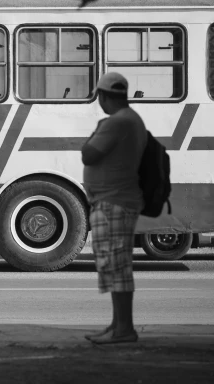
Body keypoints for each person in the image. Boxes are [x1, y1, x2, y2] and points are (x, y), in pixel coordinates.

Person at [80, 72, 147, 345]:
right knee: (115, 265)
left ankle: (124, 330)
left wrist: (96, 131)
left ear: (103, 96)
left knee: (117, 268)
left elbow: (88, 153)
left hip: (114, 203)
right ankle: (118, 325)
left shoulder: (117, 123)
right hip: (117, 201)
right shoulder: (130, 120)